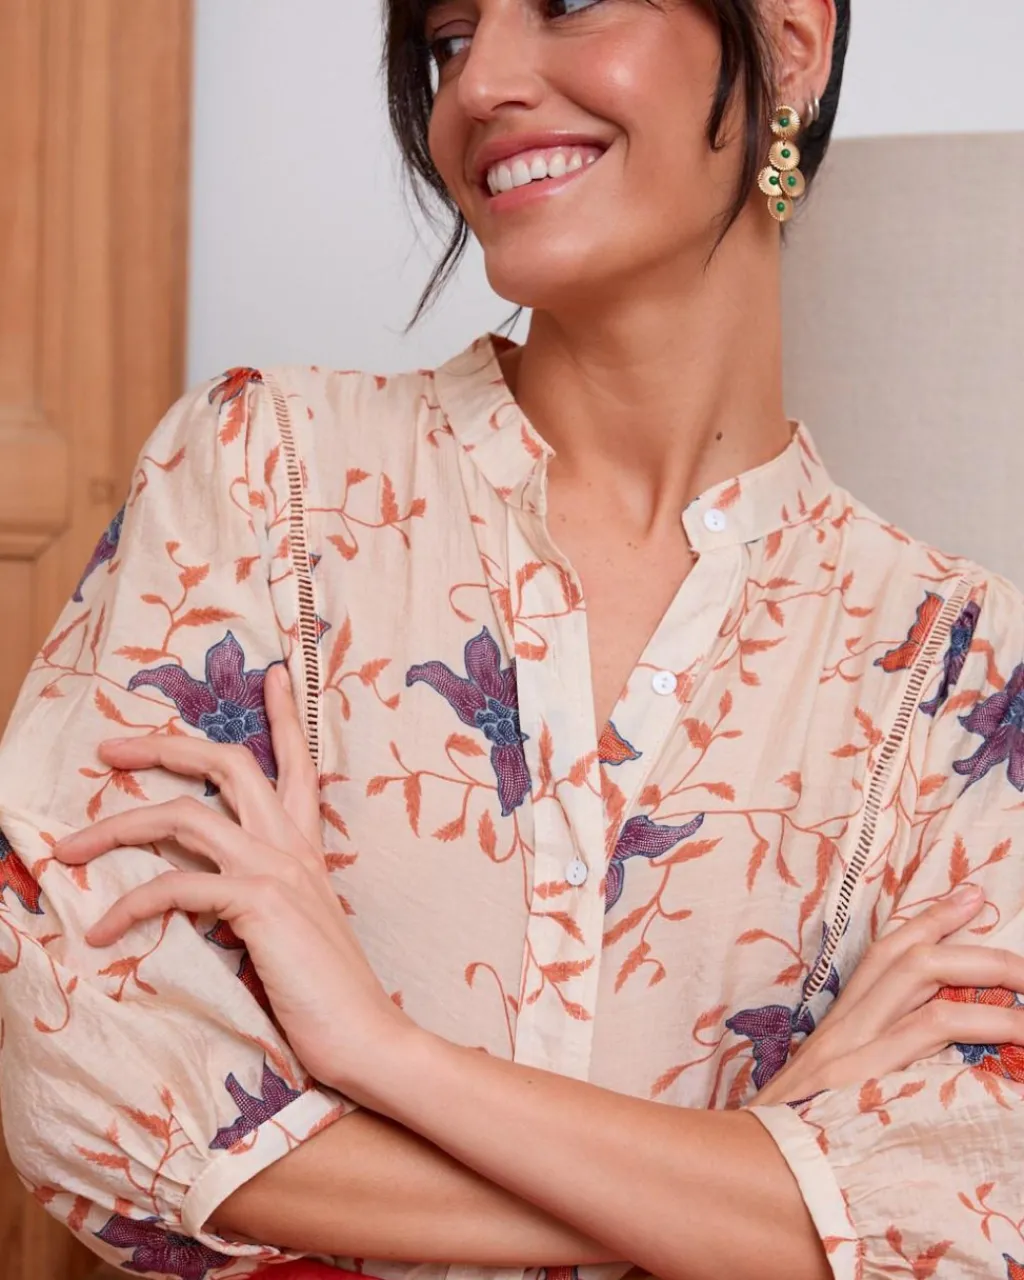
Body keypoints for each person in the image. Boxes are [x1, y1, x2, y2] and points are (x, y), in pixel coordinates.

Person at [2, 0, 1024, 1277]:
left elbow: (970, 1211)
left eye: (569, 1)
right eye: (447, 37)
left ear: (788, 38)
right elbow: (86, 1077)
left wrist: (382, 1054)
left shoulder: (962, 669)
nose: (478, 83)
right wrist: (754, 1173)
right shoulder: (263, 480)